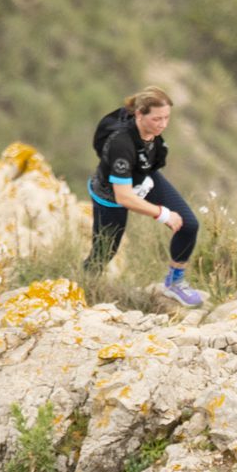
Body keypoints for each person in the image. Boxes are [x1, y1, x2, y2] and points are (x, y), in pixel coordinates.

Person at [85, 86, 203, 307]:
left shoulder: (150, 131)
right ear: (139, 114)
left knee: (189, 225)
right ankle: (83, 292)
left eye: (166, 118)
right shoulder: (121, 144)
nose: (163, 124)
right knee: (104, 252)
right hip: (110, 197)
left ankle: (175, 283)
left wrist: (145, 184)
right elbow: (124, 197)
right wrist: (162, 214)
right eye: (157, 119)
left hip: (142, 176)